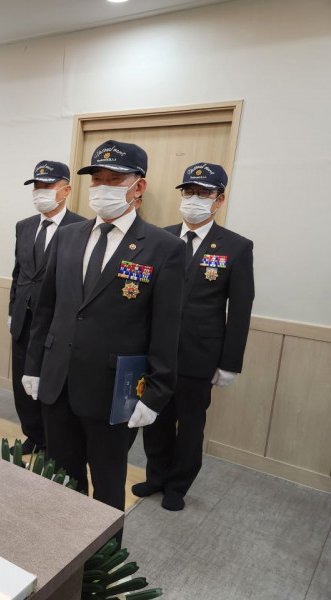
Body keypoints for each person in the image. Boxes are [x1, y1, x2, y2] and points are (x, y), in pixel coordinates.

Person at [22, 140, 184, 524]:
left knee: (108, 488)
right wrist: (34, 365)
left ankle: (102, 557)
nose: (102, 187)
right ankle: (64, 547)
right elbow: (47, 309)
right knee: (61, 480)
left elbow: (166, 329)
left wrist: (156, 394)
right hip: (58, 382)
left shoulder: (163, 248)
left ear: (139, 187)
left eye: (114, 179)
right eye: (97, 179)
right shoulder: (68, 235)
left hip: (114, 392)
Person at [133, 162, 254, 511]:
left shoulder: (236, 247)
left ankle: (177, 485)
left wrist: (230, 363)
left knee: (189, 425)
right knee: (154, 418)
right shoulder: (160, 237)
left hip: (199, 355)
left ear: (220, 199)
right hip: (156, 352)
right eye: (189, 191)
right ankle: (156, 476)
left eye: (204, 193)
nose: (194, 198)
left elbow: (240, 308)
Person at [9, 161, 85, 454]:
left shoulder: (80, 228)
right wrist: (12, 309)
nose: (40, 192)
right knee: (22, 382)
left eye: (48, 186)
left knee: (51, 382)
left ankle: (53, 441)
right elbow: (19, 272)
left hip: (56, 321)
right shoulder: (24, 226)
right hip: (24, 318)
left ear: (66, 190)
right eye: (37, 187)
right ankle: (33, 435)